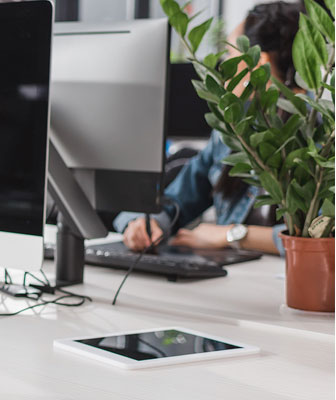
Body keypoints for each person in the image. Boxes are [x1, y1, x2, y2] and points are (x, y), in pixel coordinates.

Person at [116, 1, 304, 255]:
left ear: (258, 63)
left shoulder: (321, 136)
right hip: (232, 279)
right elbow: (175, 201)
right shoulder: (232, 129)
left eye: (229, 57)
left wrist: (232, 235)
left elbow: (324, 241)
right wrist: (144, 224)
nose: (221, 69)